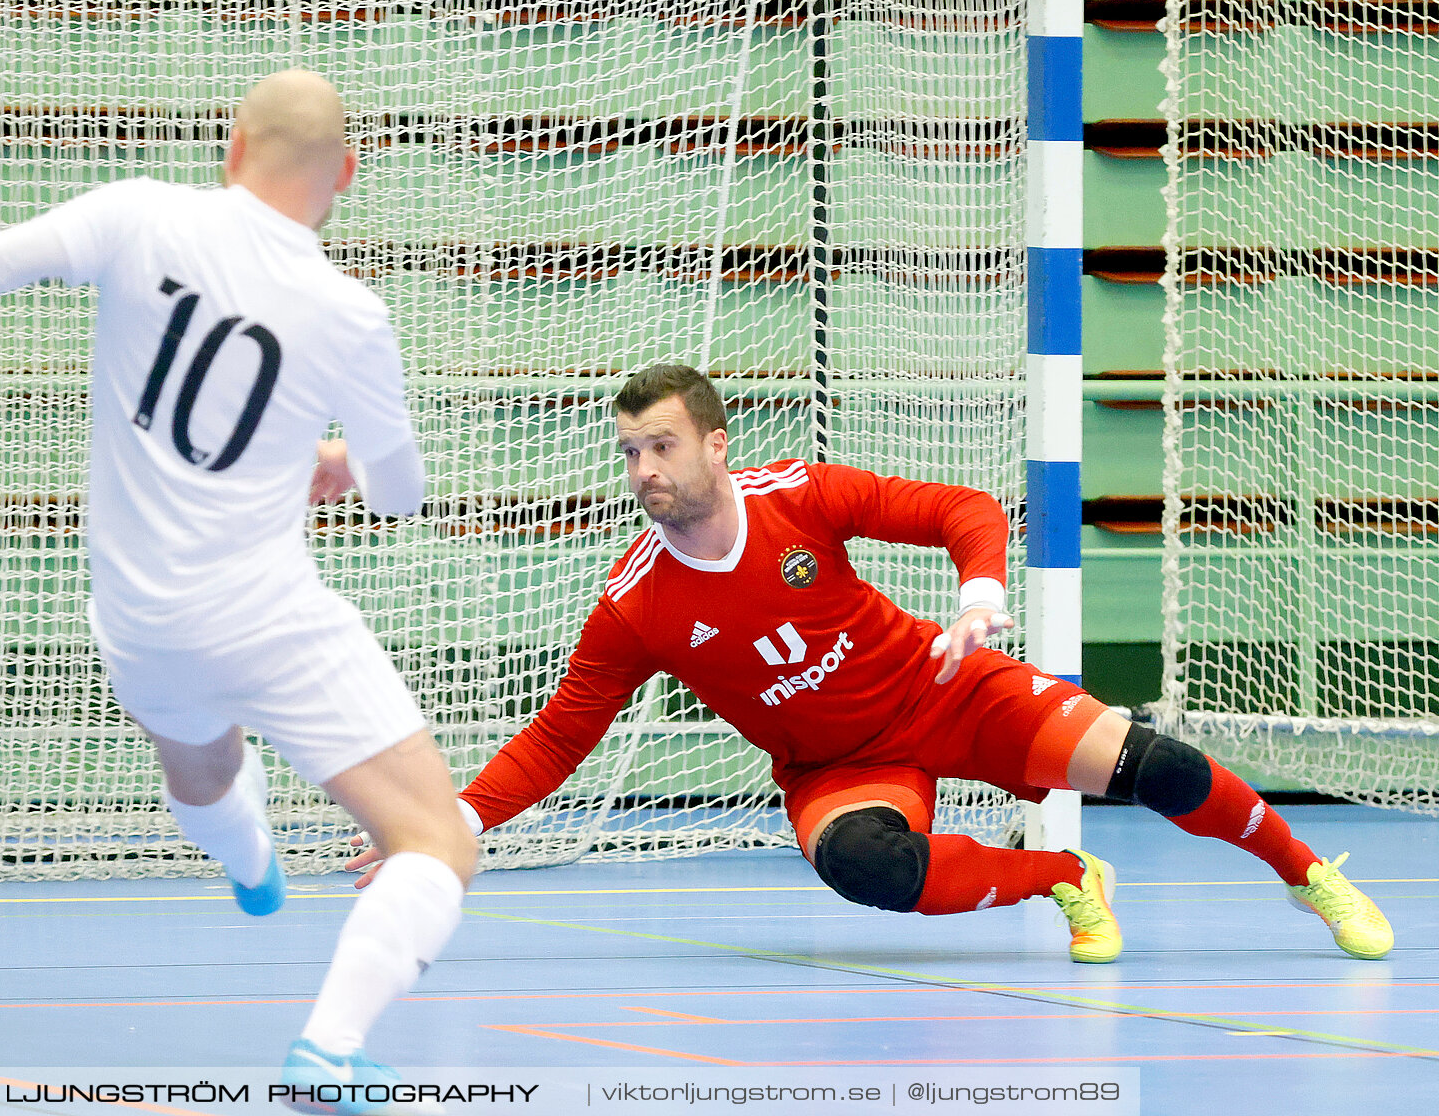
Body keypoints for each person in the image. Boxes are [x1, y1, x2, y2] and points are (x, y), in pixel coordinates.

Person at [0, 70, 471, 1115]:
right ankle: (329, 1046)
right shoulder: (349, 312)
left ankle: (247, 858)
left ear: (232, 146)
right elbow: (403, 494)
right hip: (269, 616)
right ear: (349, 174)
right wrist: (344, 462)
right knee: (440, 839)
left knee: (203, 764)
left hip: (141, 622)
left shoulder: (139, 214)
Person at [349, 364, 1392, 964]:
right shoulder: (635, 606)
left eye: (661, 444)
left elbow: (958, 510)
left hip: (944, 686)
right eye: (629, 450)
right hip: (838, 763)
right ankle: (1068, 876)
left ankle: (1307, 875)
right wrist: (457, 820)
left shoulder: (800, 495)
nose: (643, 470)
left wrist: (981, 587)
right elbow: (561, 733)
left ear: (716, 444)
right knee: (865, 868)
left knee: (1153, 764)